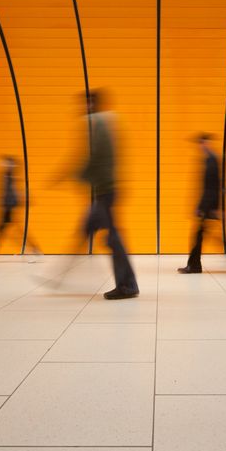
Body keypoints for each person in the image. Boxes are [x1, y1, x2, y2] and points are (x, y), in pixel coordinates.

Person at [79, 89, 138, 300]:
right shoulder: (104, 123)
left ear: (91, 104)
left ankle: (127, 286)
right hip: (107, 189)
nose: (82, 108)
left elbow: (97, 158)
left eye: (85, 104)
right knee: (105, 235)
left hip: (106, 190)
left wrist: (79, 174)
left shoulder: (99, 124)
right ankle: (128, 284)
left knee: (112, 238)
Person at [0, 156, 42, 263]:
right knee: (4, 232)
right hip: (7, 208)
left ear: (11, 164)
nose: (3, 164)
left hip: (9, 209)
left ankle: (34, 251)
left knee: (2, 233)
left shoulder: (10, 177)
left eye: (6, 163)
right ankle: (34, 250)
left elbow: (13, 192)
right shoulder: (6, 176)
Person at [178, 133, 220, 274]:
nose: (201, 146)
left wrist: (206, 207)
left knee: (198, 236)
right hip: (208, 205)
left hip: (208, 206)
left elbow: (213, 187)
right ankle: (194, 265)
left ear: (207, 143)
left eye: (203, 143)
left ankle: (194, 266)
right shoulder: (208, 160)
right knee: (200, 236)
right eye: (200, 143)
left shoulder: (212, 160)